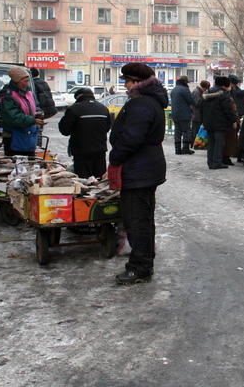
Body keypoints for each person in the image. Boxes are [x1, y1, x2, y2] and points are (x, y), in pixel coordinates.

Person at [109, 63, 168, 284]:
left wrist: (116, 156)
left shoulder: (141, 103)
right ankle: (143, 263)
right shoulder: (148, 101)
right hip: (145, 167)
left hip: (138, 168)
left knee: (137, 220)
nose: (124, 85)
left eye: (126, 80)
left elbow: (132, 137)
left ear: (136, 82)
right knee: (142, 219)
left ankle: (140, 268)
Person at [58, 88, 111, 179]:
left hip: (81, 151)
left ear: (78, 97)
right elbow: (107, 127)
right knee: (99, 180)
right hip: (100, 151)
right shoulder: (103, 109)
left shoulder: (74, 109)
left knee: (84, 180)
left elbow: (65, 130)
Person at [0, 66, 46, 157]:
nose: (27, 84)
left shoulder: (29, 93)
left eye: (28, 81)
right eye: (25, 81)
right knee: (16, 163)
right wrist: (33, 120)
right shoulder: (7, 96)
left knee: (29, 162)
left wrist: (39, 113)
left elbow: (35, 106)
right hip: (13, 136)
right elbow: (12, 117)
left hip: (28, 134)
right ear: (16, 81)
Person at [201, 76, 236, 169]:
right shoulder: (223, 94)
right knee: (219, 142)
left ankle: (210, 162)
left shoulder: (207, 92)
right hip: (220, 123)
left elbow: (200, 107)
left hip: (208, 122)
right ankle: (217, 161)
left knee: (211, 142)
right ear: (225, 85)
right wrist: (233, 120)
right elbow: (227, 109)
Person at [170, 76, 196, 155]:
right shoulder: (184, 89)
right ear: (185, 82)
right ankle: (185, 148)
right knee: (187, 131)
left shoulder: (174, 89)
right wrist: (198, 105)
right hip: (184, 114)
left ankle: (177, 149)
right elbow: (191, 100)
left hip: (175, 114)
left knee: (177, 131)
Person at [229, 75, 244, 163]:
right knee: (235, 133)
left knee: (236, 133)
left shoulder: (235, 89)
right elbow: (239, 94)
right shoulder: (233, 90)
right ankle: (235, 151)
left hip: (239, 111)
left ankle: (236, 151)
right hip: (237, 112)